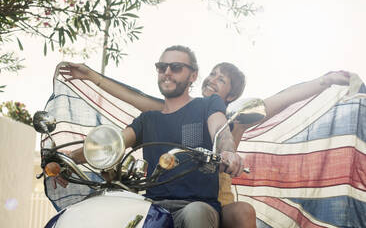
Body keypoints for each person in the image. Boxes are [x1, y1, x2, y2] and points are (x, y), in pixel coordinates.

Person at [60, 59, 351, 228]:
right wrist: (92, 77)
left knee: (242, 213)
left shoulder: (233, 119)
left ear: (231, 96)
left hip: (212, 202)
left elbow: (277, 101)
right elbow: (132, 99)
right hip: (161, 197)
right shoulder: (173, 110)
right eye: (212, 74)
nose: (212, 80)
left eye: (221, 80)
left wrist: (322, 82)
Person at [64, 45, 245, 228]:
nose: (167, 72)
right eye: (161, 67)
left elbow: (219, 128)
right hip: (152, 208)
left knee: (196, 213)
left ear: (193, 76)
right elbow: (109, 145)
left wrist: (228, 151)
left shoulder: (207, 105)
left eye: (176, 67)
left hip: (194, 206)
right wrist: (68, 160)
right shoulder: (147, 119)